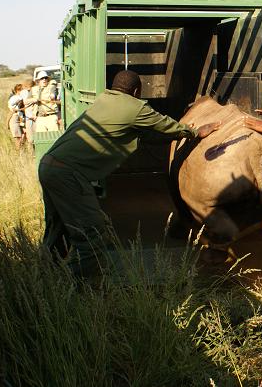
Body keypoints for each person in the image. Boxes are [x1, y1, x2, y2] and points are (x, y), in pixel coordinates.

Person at [39, 70, 220, 278]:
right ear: (136, 90)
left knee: (57, 230)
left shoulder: (104, 101)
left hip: (48, 166)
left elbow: (143, 135)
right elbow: (166, 125)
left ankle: (45, 277)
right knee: (94, 235)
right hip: (69, 174)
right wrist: (195, 132)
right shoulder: (135, 107)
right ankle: (78, 285)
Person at [7, 84, 25, 149]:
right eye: (22, 90)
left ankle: (21, 150)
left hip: (19, 117)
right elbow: (12, 107)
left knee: (23, 134)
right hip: (15, 117)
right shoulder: (17, 97)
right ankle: (19, 152)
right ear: (18, 90)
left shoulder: (15, 97)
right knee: (18, 138)